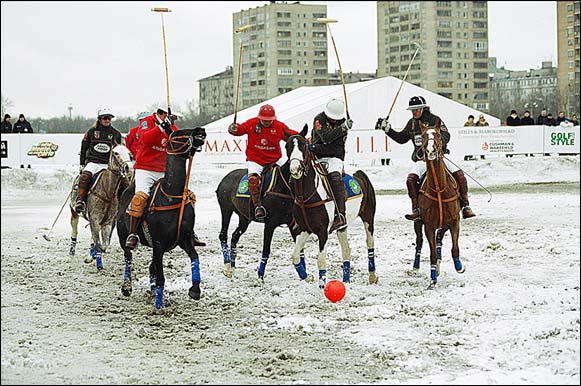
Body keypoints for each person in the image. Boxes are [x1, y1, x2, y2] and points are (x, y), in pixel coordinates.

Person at [375, 95, 476, 221]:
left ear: (423, 108)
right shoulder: (411, 123)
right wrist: (387, 129)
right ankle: (416, 209)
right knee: (410, 180)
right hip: (422, 160)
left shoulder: (435, 120)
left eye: (417, 109)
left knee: (460, 175)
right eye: (412, 110)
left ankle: (465, 206)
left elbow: (446, 135)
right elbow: (401, 139)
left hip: (438, 158)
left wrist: (437, 144)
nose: (414, 112)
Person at [228, 104, 298, 221]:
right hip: (256, 160)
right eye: (264, 120)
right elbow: (239, 130)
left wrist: (304, 138)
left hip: (274, 159)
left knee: (293, 173)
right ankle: (258, 206)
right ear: (259, 118)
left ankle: (297, 202)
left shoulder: (279, 126)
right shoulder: (251, 123)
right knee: (253, 180)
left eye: (269, 120)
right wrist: (233, 129)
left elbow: (291, 134)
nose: (266, 122)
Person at [308, 99, 353, 233]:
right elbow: (326, 137)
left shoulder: (344, 123)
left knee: (334, 178)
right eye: (331, 118)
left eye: (335, 119)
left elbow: (335, 148)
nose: (333, 120)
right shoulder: (319, 119)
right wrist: (342, 128)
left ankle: (340, 215)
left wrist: (317, 147)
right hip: (316, 156)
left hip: (334, 158)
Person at [74, 108, 122, 214]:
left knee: (122, 182)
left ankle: (123, 205)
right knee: (85, 176)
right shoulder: (91, 131)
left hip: (108, 165)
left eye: (109, 118)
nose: (107, 120)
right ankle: (80, 201)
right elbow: (84, 148)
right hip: (93, 162)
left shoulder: (116, 134)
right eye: (105, 118)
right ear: (100, 119)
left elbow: (119, 151)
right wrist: (82, 164)